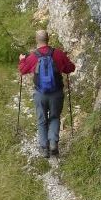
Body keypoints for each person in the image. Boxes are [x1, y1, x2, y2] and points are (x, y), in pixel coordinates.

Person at [19, 30, 75, 158]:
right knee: (55, 117)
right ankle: (53, 143)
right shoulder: (58, 54)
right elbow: (70, 68)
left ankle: (44, 148)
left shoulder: (33, 57)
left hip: (40, 94)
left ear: (36, 40)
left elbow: (22, 70)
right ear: (48, 39)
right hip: (56, 93)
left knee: (41, 120)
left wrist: (22, 60)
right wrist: (65, 60)